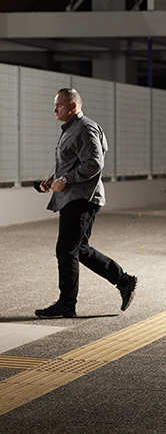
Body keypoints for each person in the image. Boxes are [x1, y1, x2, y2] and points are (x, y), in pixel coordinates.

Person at [34, 88, 137, 319]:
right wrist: (53, 180)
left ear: (73, 106)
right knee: (79, 249)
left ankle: (66, 304)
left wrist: (66, 179)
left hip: (82, 198)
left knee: (66, 249)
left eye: (59, 105)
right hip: (75, 197)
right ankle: (123, 280)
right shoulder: (72, 129)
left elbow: (94, 163)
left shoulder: (85, 128)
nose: (54, 109)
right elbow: (74, 161)